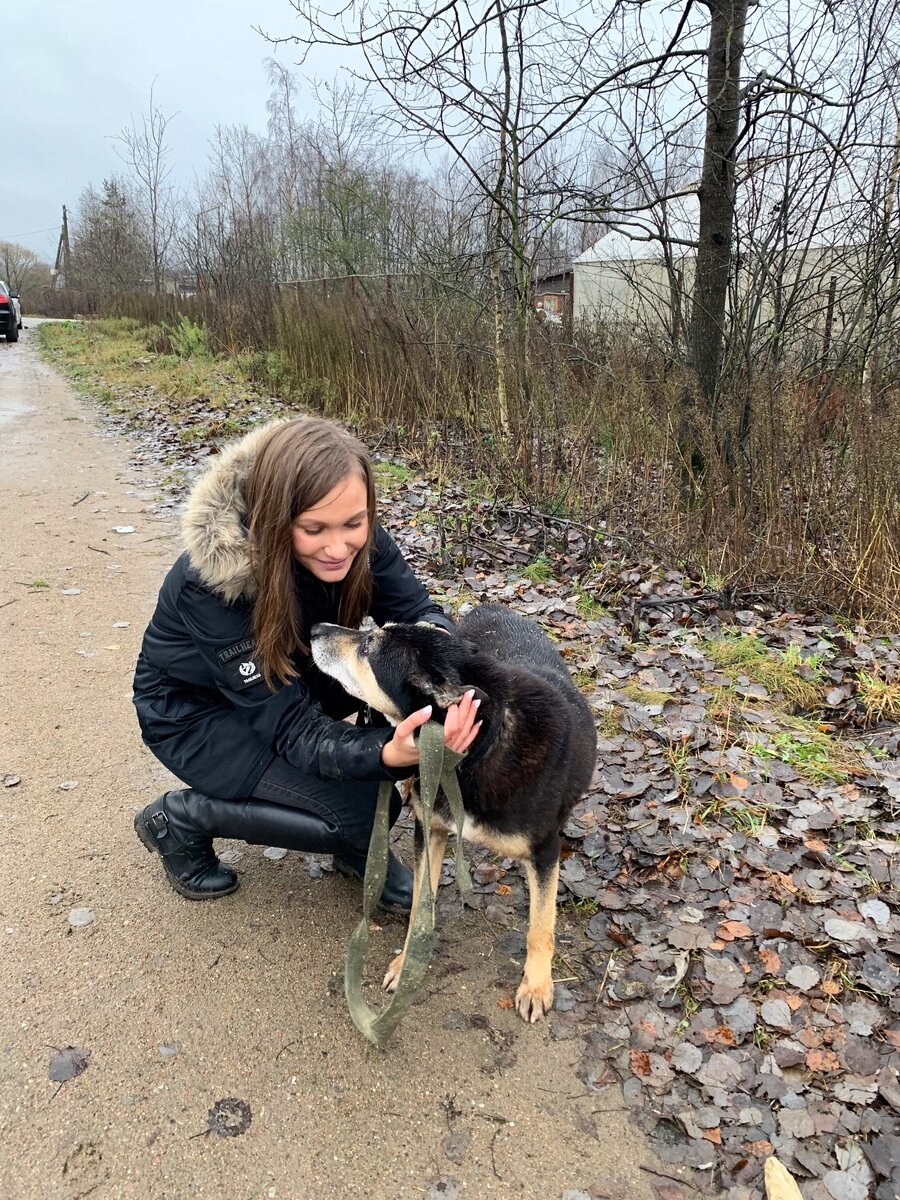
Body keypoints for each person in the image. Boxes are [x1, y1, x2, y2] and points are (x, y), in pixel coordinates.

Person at [132, 416, 480, 913]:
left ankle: (352, 842)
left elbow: (418, 613)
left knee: (375, 770)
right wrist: (387, 752)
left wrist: (438, 647)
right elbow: (292, 729)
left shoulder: (357, 535)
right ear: (276, 518)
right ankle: (180, 817)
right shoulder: (211, 586)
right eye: (313, 529)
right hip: (197, 716)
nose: (339, 547)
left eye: (354, 524)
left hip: (294, 677)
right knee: (360, 809)